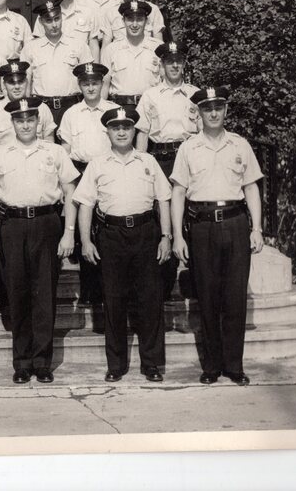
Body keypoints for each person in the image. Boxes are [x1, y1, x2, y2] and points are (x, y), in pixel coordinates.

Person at [170, 86, 264, 386]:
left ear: (225, 110)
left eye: (218, 107)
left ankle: (234, 366)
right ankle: (211, 366)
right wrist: (177, 237)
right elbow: (178, 192)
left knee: (235, 297)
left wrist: (257, 229)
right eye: (207, 108)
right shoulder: (188, 148)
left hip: (235, 223)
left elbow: (251, 187)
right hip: (201, 226)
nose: (213, 113)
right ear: (198, 112)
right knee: (207, 297)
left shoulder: (240, 145)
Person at [0, 97, 78, 383]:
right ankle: (22, 362)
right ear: (12, 123)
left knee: (45, 294)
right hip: (11, 225)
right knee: (18, 293)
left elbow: (70, 192)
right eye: (20, 120)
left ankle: (42, 362)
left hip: (47, 223)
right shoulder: (0, 152)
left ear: (39, 122)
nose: (25, 124)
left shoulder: (55, 151)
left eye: (30, 119)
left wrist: (69, 231)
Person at [74, 105, 172, 383]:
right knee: (113, 300)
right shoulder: (97, 164)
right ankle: (116, 364)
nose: (121, 132)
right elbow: (85, 205)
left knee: (150, 300)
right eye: (116, 128)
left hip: (145, 233)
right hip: (111, 235)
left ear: (133, 131)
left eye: (126, 127)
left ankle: (151, 363)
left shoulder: (147, 161)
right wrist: (85, 241)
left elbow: (163, 199)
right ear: (107, 132)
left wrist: (166, 236)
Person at [135, 40, 200, 301]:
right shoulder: (151, 95)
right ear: (161, 66)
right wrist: (140, 166)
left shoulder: (195, 94)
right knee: (162, 218)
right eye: (169, 62)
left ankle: (193, 282)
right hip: (160, 158)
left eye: (179, 61)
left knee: (191, 216)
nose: (174, 66)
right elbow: (142, 134)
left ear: (184, 64)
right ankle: (162, 284)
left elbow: (203, 133)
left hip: (188, 158)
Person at [57, 62, 119, 307]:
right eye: (86, 83)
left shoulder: (114, 110)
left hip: (108, 173)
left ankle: (109, 289)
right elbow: (66, 151)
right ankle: (89, 291)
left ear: (102, 84)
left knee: (107, 230)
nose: (90, 87)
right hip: (81, 173)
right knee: (86, 232)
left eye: (95, 83)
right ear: (80, 86)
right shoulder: (72, 114)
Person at [21, 0, 94, 127]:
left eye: (57, 19)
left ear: (62, 18)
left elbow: (89, 81)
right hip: (41, 107)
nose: (54, 25)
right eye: (48, 21)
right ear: (41, 22)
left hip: (72, 106)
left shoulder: (78, 45)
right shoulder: (30, 48)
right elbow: (26, 82)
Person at [0, 60, 56, 164]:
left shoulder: (41, 108)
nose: (17, 87)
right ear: (4, 84)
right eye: (11, 82)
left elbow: (50, 144)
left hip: (37, 166)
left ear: (27, 82)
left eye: (20, 82)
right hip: (5, 168)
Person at [99, 0, 162, 107]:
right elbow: (104, 87)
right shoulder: (111, 50)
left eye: (139, 20)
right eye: (130, 19)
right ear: (123, 21)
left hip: (151, 107)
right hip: (120, 108)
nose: (134, 24)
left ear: (146, 21)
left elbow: (166, 83)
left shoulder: (158, 48)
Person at [32, 0, 100, 61]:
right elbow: (38, 44)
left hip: (82, 66)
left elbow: (93, 44)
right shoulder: (45, 15)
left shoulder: (87, 12)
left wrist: (95, 71)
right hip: (56, 64)